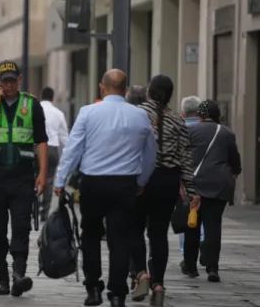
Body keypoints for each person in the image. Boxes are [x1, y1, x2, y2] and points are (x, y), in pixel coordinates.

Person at [54, 69, 157, 307]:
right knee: (120, 238)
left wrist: (60, 181)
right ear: (125, 89)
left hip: (93, 183)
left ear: (102, 88)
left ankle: (93, 288)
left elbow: (73, 149)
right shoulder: (139, 116)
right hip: (125, 184)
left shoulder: (88, 112)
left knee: (90, 235)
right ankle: (118, 293)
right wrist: (141, 181)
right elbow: (151, 154)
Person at [0, 60, 48, 297]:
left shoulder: (32, 105)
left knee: (22, 225)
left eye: (13, 80)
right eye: (5, 81)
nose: (10, 84)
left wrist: (43, 174)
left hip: (23, 177)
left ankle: (18, 273)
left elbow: (42, 140)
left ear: (20, 79)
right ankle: (2, 278)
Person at [129, 75, 200, 305]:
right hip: (167, 181)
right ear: (170, 95)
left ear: (149, 91)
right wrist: (191, 190)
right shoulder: (177, 121)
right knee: (158, 233)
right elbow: (185, 159)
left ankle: (141, 273)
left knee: (135, 228)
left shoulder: (136, 114)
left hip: (140, 179)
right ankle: (158, 284)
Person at [182, 99, 242, 283]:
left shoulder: (189, 131)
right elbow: (235, 162)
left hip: (194, 185)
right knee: (213, 226)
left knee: (192, 225)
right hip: (218, 186)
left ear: (199, 115)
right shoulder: (226, 133)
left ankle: (190, 266)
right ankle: (212, 268)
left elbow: (182, 157)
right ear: (218, 116)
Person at [38, 86, 68, 221]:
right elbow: (65, 138)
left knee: (34, 178)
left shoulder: (35, 109)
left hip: (36, 148)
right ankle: (44, 212)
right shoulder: (58, 113)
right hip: (52, 149)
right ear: (53, 98)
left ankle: (34, 207)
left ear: (40, 96)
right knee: (49, 180)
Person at [178, 95, 203, 255]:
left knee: (184, 213)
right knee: (205, 213)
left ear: (183, 113)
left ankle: (184, 250)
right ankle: (202, 239)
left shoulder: (179, 129)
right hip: (205, 177)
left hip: (184, 180)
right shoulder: (210, 129)